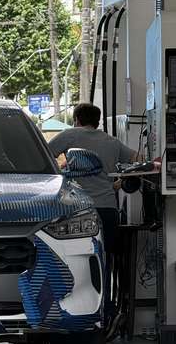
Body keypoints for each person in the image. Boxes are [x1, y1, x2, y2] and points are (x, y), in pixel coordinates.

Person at [47, 103, 138, 272]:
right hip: (108, 208)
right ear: (98, 122)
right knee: (107, 259)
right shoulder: (112, 141)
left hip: (77, 211)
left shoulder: (70, 135)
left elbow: (44, 156)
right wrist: (119, 182)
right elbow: (138, 158)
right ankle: (108, 298)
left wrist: (61, 173)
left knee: (78, 262)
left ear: (76, 120)